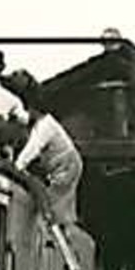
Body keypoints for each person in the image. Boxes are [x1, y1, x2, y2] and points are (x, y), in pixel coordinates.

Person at [7, 72, 84, 228]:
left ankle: (54, 227)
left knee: (54, 205)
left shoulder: (45, 127)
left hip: (65, 165)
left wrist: (16, 167)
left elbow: (29, 154)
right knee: (61, 203)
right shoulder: (41, 124)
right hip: (63, 164)